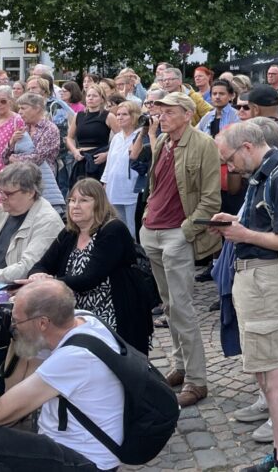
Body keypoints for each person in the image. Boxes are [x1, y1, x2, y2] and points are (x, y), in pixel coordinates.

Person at [212, 121, 278, 472]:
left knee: (272, 373)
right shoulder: (266, 172)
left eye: (230, 159)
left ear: (248, 146)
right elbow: (266, 224)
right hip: (256, 278)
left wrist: (243, 233)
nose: (230, 167)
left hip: (266, 280)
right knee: (265, 371)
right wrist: (236, 222)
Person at [0, 280, 126, 472]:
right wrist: (18, 333)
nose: (13, 324)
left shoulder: (73, 358)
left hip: (88, 462)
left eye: (16, 320)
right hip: (67, 445)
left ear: (43, 323)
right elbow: (13, 394)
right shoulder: (78, 320)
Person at [140, 91, 222, 407]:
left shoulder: (202, 145)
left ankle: (196, 380)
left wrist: (185, 232)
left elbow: (211, 199)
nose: (162, 116)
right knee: (169, 306)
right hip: (154, 232)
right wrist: (148, 216)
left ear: (188, 114)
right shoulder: (162, 142)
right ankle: (180, 366)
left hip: (177, 234)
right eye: (159, 111)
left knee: (183, 308)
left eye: (169, 111)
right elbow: (155, 186)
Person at [28, 178, 153, 354]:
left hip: (113, 313)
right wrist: (37, 276)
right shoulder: (70, 233)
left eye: (84, 200)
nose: (75, 206)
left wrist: (49, 284)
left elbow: (89, 278)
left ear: (98, 204)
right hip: (78, 315)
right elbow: (42, 264)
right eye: (72, 201)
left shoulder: (112, 230)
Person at [8, 92, 67, 212]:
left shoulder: (50, 129)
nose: (19, 112)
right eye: (19, 108)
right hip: (21, 180)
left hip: (42, 181)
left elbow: (38, 158)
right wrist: (12, 142)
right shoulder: (22, 128)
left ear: (37, 109)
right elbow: (4, 157)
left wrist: (16, 159)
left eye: (23, 108)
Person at [101, 97, 148, 232]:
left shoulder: (140, 136)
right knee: (117, 227)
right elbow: (109, 164)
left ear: (134, 116)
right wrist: (105, 183)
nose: (120, 118)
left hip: (131, 189)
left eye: (124, 114)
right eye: (118, 115)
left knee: (132, 228)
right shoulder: (116, 137)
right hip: (114, 188)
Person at [66, 85, 111, 181]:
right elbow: (69, 137)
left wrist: (107, 154)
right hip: (81, 158)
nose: (90, 98)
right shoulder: (79, 115)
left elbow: (121, 138)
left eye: (94, 96)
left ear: (102, 99)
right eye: (88, 95)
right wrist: (74, 151)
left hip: (98, 159)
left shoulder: (108, 116)